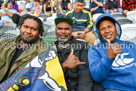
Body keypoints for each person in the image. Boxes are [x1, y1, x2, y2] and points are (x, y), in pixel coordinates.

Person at [54, 16, 104, 91]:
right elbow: (50, 76)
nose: (63, 32)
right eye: (60, 28)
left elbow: (85, 74)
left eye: (67, 29)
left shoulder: (83, 46)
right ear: (55, 30)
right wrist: (64, 66)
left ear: (72, 31)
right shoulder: (51, 49)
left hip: (81, 86)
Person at [88, 14, 136, 90]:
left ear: (116, 28)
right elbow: (96, 77)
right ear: (99, 32)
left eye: (110, 27)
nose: (107, 31)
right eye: (102, 29)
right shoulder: (95, 50)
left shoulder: (130, 45)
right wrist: (108, 57)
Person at [0, 14, 47, 83]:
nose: (28, 31)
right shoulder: (4, 44)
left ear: (39, 33)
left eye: (33, 29)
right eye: (25, 27)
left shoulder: (43, 53)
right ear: (20, 27)